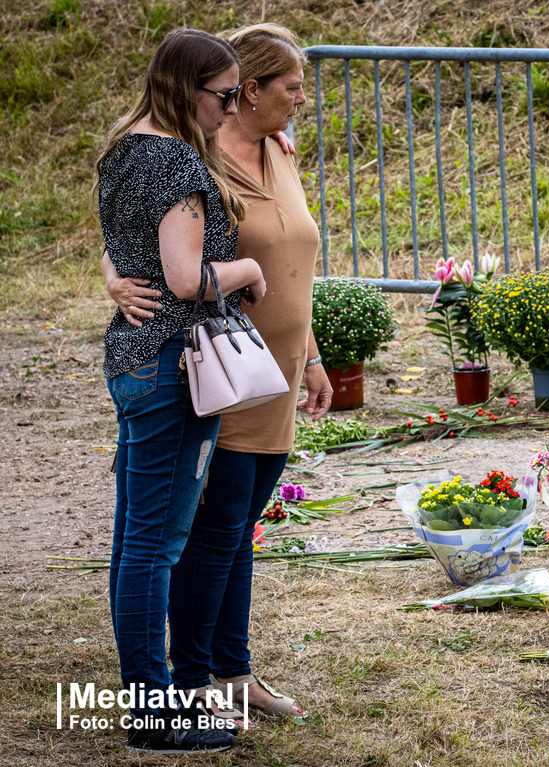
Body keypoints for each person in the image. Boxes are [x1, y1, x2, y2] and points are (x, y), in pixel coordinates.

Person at [105, 23, 329, 721]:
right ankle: (189, 678)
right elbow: (151, 251)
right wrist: (114, 276)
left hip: (274, 369)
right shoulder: (193, 157)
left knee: (232, 527)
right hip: (216, 367)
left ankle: (228, 670)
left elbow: (294, 262)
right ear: (241, 91)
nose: (301, 98)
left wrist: (314, 356)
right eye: (288, 85)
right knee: (198, 531)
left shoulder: (274, 152)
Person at [97, 27, 266, 752]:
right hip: (174, 360)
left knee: (134, 535)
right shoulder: (173, 160)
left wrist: (110, 274)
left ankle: (149, 694)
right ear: (184, 87)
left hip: (134, 360)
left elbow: (120, 244)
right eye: (224, 95)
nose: (231, 110)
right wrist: (249, 270)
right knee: (157, 542)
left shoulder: (126, 146)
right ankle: (154, 708)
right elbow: (185, 277)